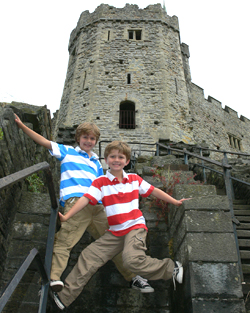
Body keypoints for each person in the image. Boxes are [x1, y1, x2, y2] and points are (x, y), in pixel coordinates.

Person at [14, 115, 153, 294]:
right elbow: (44, 141)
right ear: (78, 138)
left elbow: (103, 186)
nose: (88, 141)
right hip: (76, 202)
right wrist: (21, 125)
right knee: (66, 240)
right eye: (85, 137)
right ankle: (52, 278)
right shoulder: (67, 151)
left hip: (98, 207)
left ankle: (134, 277)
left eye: (92, 138)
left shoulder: (96, 163)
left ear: (96, 141)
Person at [51, 140, 190, 310]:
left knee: (131, 260)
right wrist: (67, 216)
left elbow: (153, 190)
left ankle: (171, 268)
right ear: (106, 159)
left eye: (120, 157)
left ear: (127, 161)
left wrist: (174, 201)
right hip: (115, 232)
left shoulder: (133, 179)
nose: (116, 160)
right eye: (112, 156)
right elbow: (86, 199)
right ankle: (64, 297)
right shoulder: (100, 182)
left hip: (134, 227)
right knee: (88, 256)